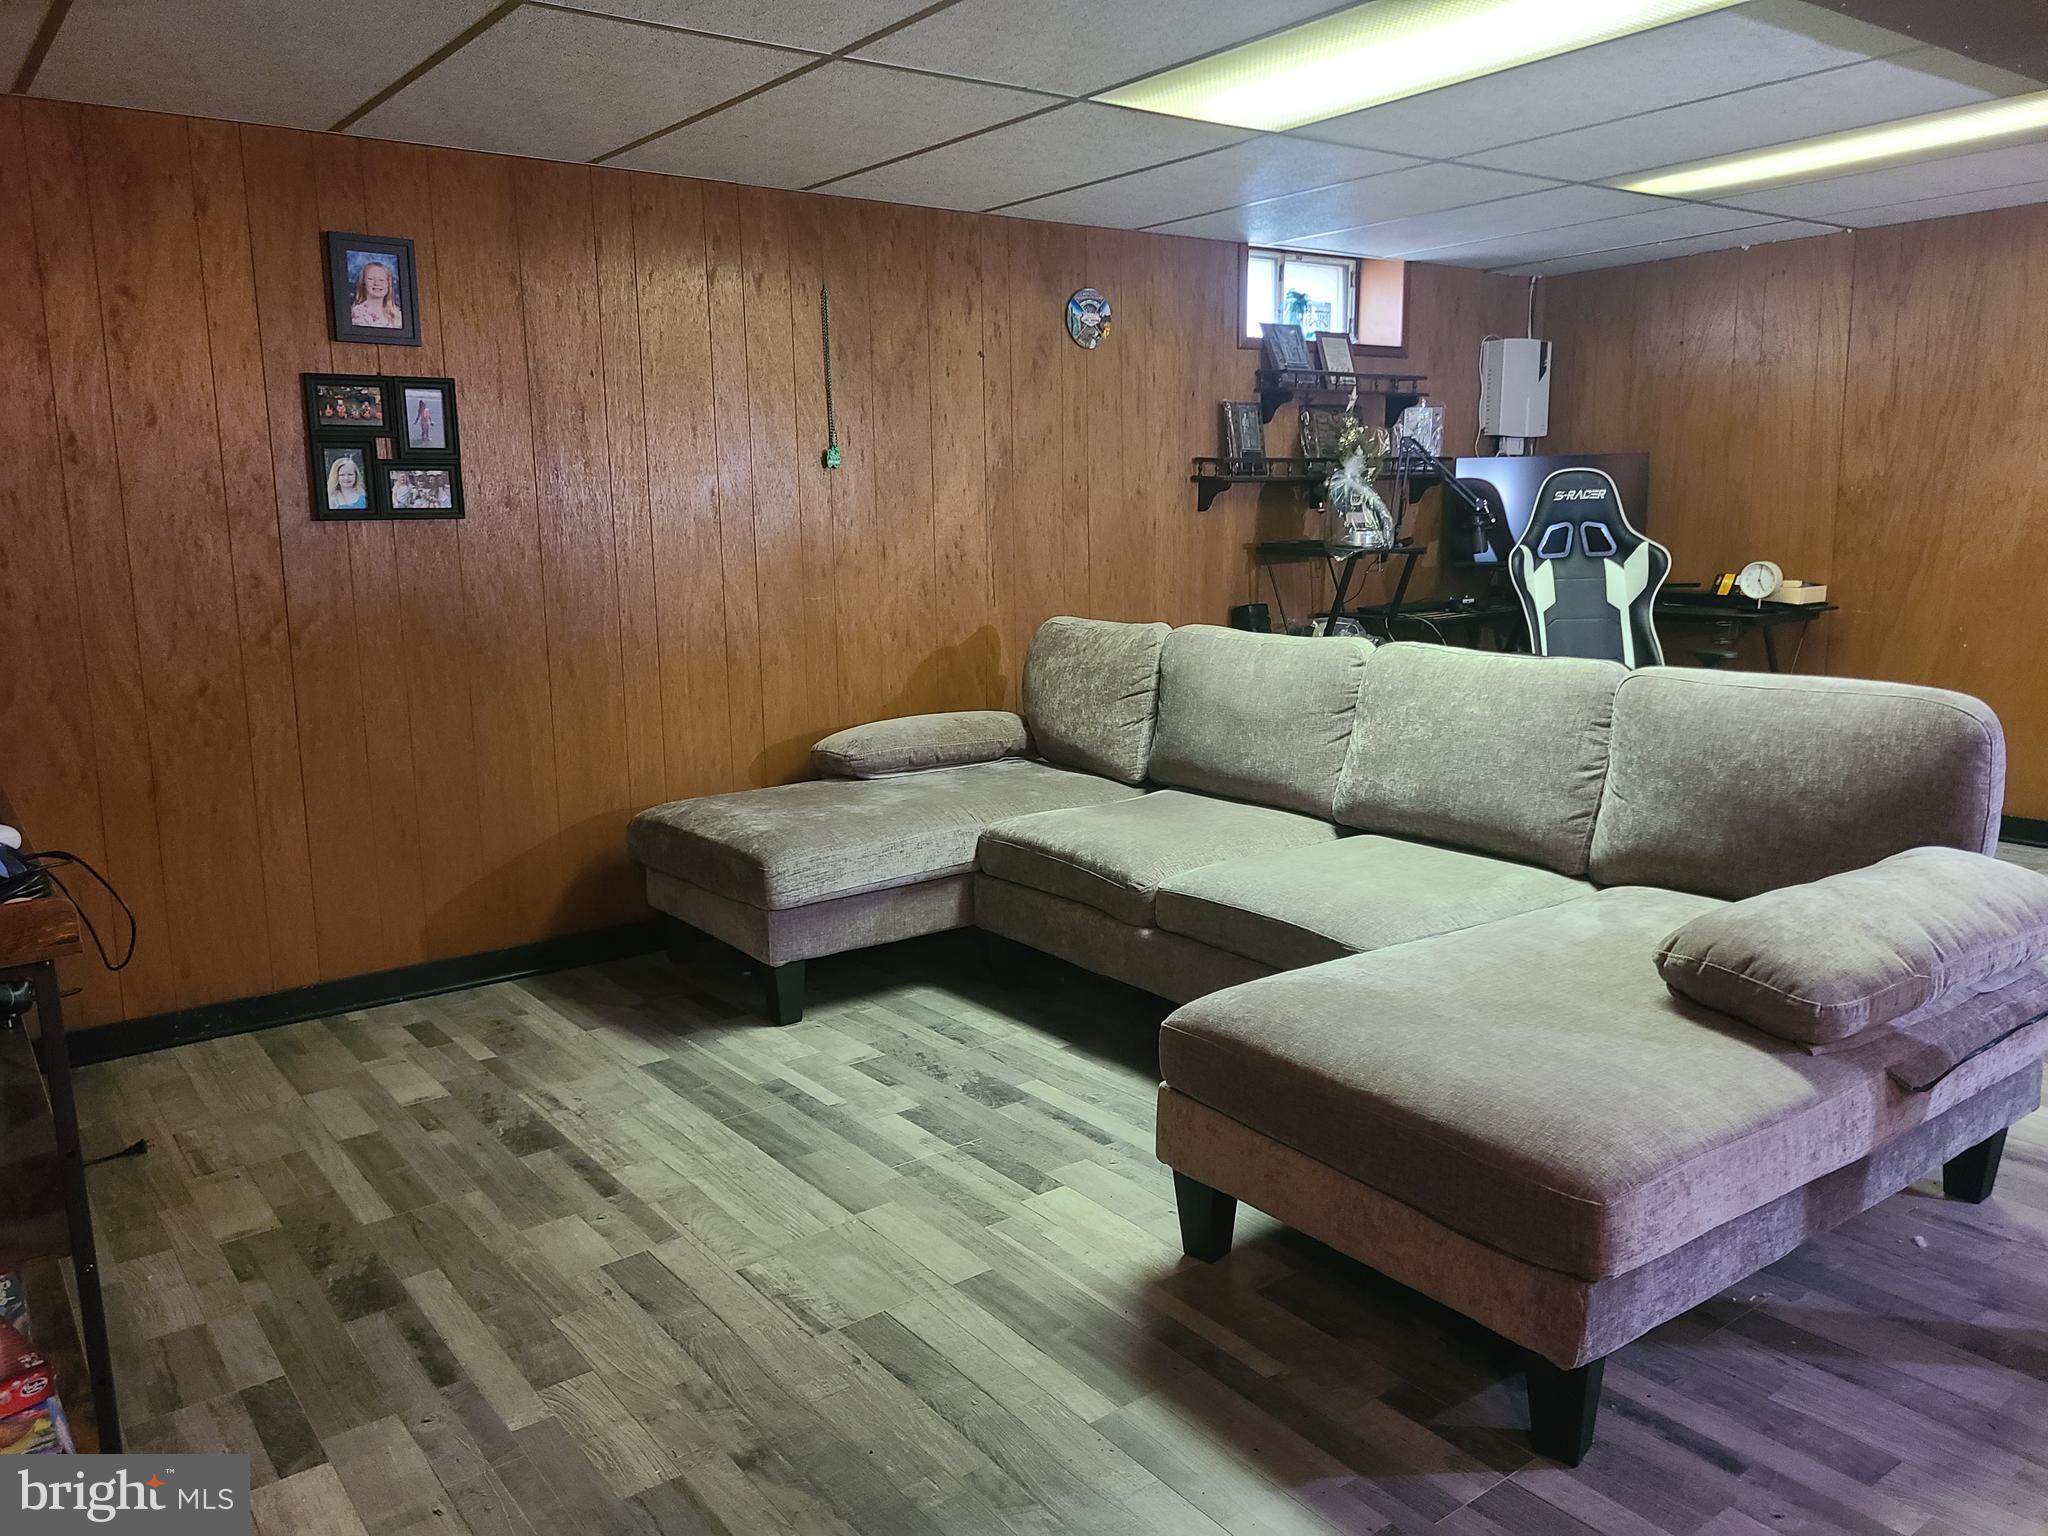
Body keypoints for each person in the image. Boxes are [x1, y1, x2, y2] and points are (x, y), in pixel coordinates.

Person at [350, 259, 403, 330]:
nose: (377, 283)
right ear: (363, 283)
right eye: (370, 279)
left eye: (381, 280)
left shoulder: (397, 315)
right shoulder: (356, 314)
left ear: (388, 285)